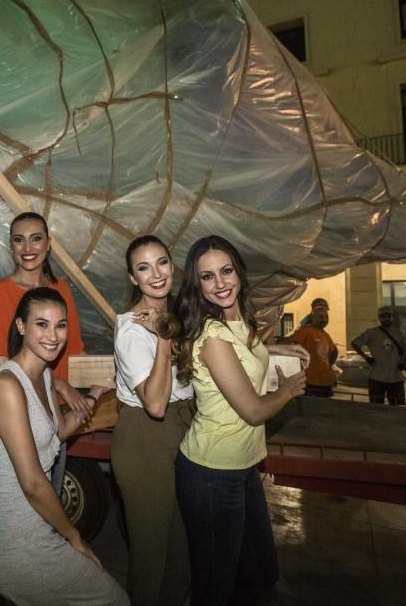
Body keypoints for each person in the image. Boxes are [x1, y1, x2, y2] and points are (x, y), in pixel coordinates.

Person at [173, 236, 307, 605]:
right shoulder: (213, 335)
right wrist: (290, 389)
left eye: (226, 271)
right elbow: (253, 410)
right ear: (196, 286)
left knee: (260, 570)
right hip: (213, 472)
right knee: (215, 585)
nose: (221, 283)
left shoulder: (237, 321)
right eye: (208, 277)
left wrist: (275, 348)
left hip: (243, 465)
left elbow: (246, 349)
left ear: (239, 273)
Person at [0, 287, 128, 605]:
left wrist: (95, 394)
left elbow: (58, 431)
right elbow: (33, 482)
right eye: (41, 324)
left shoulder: (44, 375)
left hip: (36, 526)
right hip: (14, 539)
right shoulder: (7, 386)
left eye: (61, 325)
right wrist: (75, 537)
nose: (53, 335)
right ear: (21, 326)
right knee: (114, 600)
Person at [0, 211, 89, 493]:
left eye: (35, 239)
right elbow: (1, 362)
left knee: (51, 494)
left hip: (56, 414)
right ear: (11, 246)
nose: (28, 249)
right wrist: (61, 385)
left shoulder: (60, 288)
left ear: (48, 243)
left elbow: (75, 349)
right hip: (15, 415)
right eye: (19, 240)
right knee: (18, 499)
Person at [111, 235, 193, 606]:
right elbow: (156, 404)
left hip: (182, 428)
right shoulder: (131, 329)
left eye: (162, 262)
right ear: (132, 278)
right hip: (145, 437)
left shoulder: (181, 312)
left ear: (172, 266)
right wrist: (162, 338)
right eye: (143, 267)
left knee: (180, 547)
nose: (156, 274)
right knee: (151, 554)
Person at [351, 306, 406, 405]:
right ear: (379, 318)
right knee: (377, 408)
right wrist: (366, 357)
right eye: (384, 316)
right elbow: (354, 343)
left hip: (395, 378)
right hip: (377, 378)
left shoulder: (399, 333)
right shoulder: (371, 333)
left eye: (389, 316)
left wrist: (403, 363)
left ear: (392, 317)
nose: (387, 319)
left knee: (397, 409)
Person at [286, 300, 338, 397]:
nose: (324, 319)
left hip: (324, 382)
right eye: (321, 316)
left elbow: (334, 351)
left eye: (326, 316)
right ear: (313, 317)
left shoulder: (325, 334)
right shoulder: (306, 330)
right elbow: (290, 342)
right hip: (310, 382)